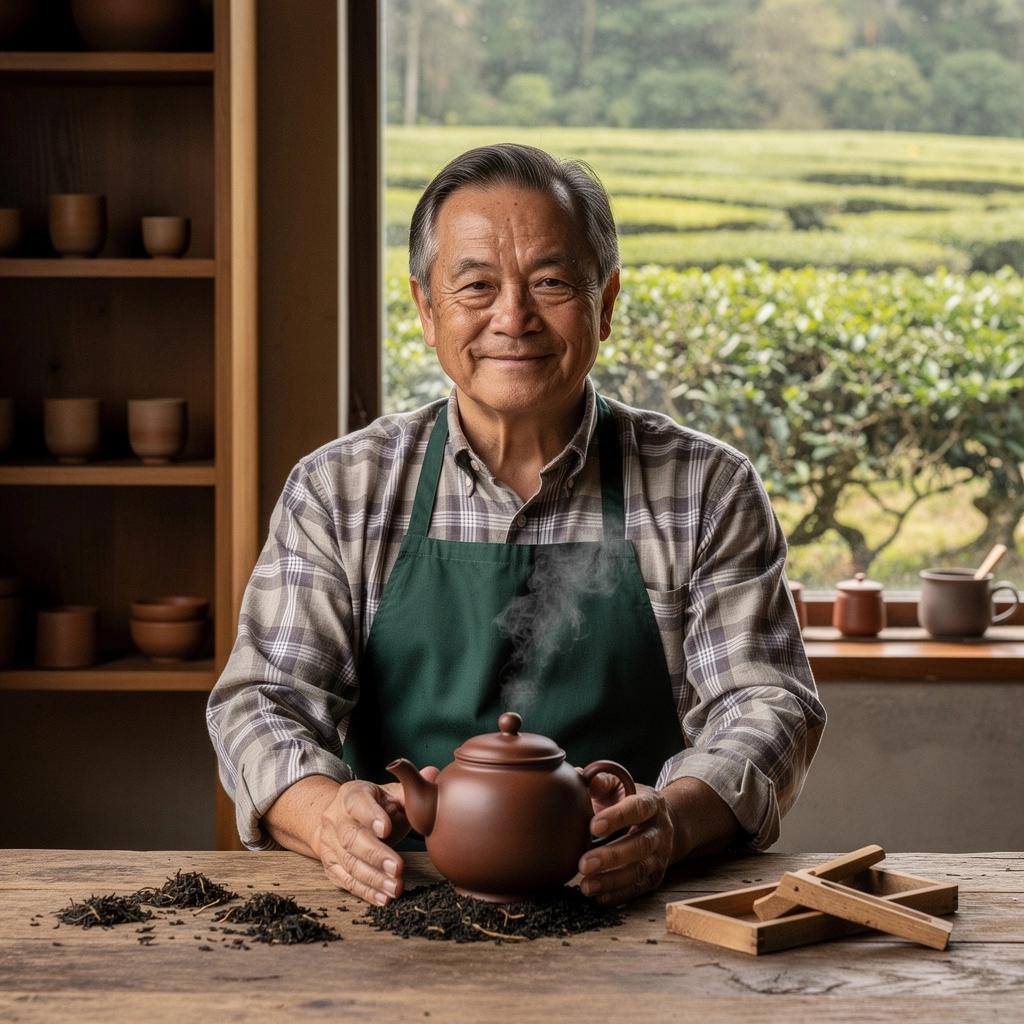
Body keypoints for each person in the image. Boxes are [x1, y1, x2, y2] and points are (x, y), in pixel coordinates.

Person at [207, 143, 825, 909]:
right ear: (426, 310)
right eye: (476, 286)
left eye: (551, 283)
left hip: (634, 900)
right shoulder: (342, 489)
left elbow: (766, 706)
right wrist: (325, 815)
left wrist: (672, 824)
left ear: (606, 303)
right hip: (398, 899)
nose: (513, 318)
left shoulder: (705, 487)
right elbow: (263, 700)